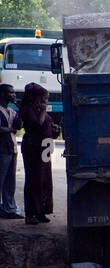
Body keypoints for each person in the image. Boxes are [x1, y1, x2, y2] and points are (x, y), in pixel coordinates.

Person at [18, 83, 57, 225]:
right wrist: (43, 111)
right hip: (33, 147)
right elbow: (37, 125)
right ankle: (31, 213)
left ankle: (41, 211)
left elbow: (47, 126)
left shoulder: (39, 109)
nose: (46, 101)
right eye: (44, 98)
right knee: (34, 180)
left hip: (45, 147)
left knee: (44, 180)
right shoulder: (28, 110)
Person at [0, 85, 21, 219]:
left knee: (10, 181)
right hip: (2, 149)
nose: (14, 95)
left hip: (11, 148)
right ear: (2, 94)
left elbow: (18, 126)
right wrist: (9, 130)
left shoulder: (11, 111)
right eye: (11, 93)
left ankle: (9, 208)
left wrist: (20, 109)